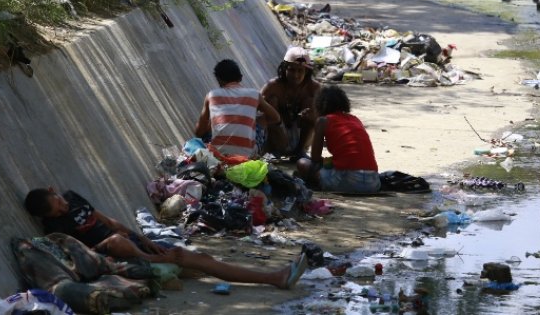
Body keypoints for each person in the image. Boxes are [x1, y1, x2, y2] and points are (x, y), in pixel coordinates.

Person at [24, 188, 307, 289]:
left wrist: (144, 239)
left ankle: (273, 277)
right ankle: (274, 277)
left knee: (203, 262)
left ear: (54, 191)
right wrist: (142, 252)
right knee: (186, 260)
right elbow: (84, 250)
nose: (63, 206)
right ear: (47, 216)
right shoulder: (54, 225)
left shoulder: (72, 197)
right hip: (112, 253)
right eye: (56, 208)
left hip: (130, 243)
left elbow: (108, 221)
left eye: (58, 201)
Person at [296, 85, 380, 193]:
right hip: (373, 182)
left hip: (348, 181)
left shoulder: (322, 121)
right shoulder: (355, 119)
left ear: (319, 105)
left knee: (302, 163)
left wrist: (314, 125)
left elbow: (315, 159)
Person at [195, 59, 280, 158]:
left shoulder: (211, 95)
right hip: (247, 156)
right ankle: (257, 156)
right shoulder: (254, 95)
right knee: (263, 119)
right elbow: (276, 118)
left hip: (218, 155)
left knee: (211, 125)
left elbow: (199, 132)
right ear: (240, 78)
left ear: (218, 80)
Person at [261, 47, 321, 159]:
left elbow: (325, 118)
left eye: (300, 71)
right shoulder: (273, 86)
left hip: (302, 136)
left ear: (306, 72)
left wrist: (311, 116)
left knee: (312, 104)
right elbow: (257, 109)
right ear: (284, 69)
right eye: (292, 70)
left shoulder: (314, 88)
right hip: (277, 136)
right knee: (270, 102)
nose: (295, 75)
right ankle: (276, 149)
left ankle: (300, 150)